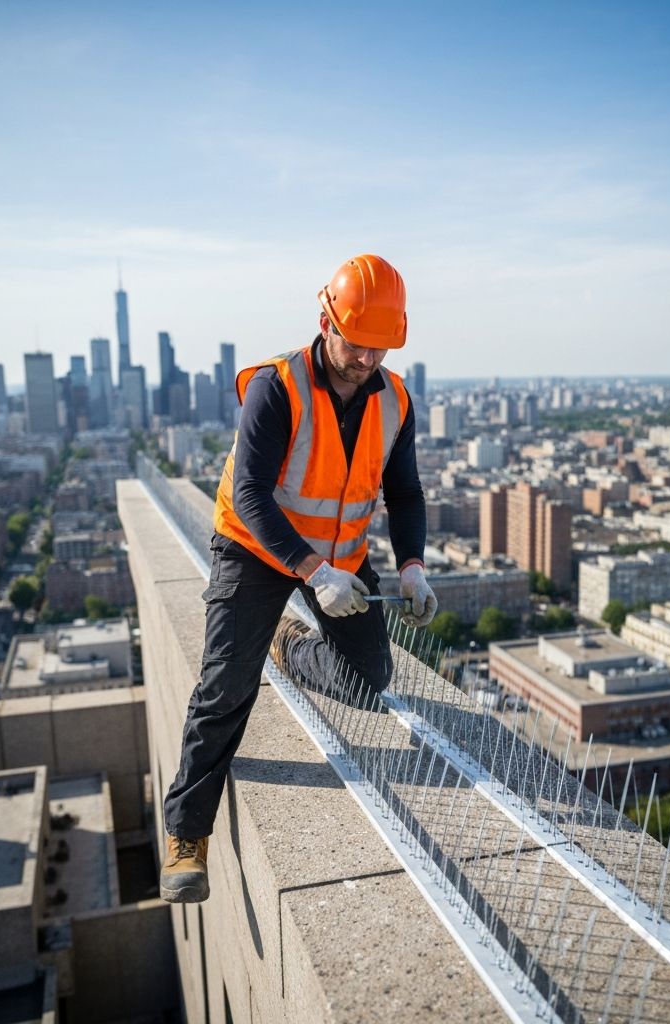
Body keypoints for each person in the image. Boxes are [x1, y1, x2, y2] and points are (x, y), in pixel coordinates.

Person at [159, 254, 438, 903]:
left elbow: (406, 492)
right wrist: (312, 571)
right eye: (356, 342)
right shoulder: (277, 387)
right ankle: (186, 834)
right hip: (257, 546)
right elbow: (252, 494)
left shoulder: (395, 400)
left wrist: (412, 567)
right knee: (226, 685)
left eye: (380, 346)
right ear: (326, 323)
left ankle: (289, 645)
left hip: (339, 552)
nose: (366, 358)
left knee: (369, 679)